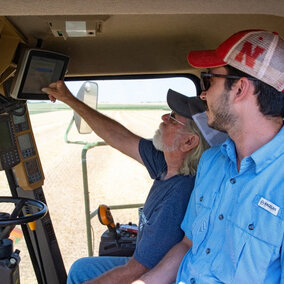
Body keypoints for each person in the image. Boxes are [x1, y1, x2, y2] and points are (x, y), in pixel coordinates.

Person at [134, 29, 284, 284]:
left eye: (208, 81)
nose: (203, 95)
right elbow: (188, 244)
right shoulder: (212, 162)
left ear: (239, 89)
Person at [42, 81, 226, 284]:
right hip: (142, 264)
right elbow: (118, 136)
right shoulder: (166, 163)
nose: (164, 117)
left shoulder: (179, 195)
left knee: (82, 276)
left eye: (173, 118)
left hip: (152, 273)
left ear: (189, 142)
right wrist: (70, 100)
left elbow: (137, 271)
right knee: (81, 269)